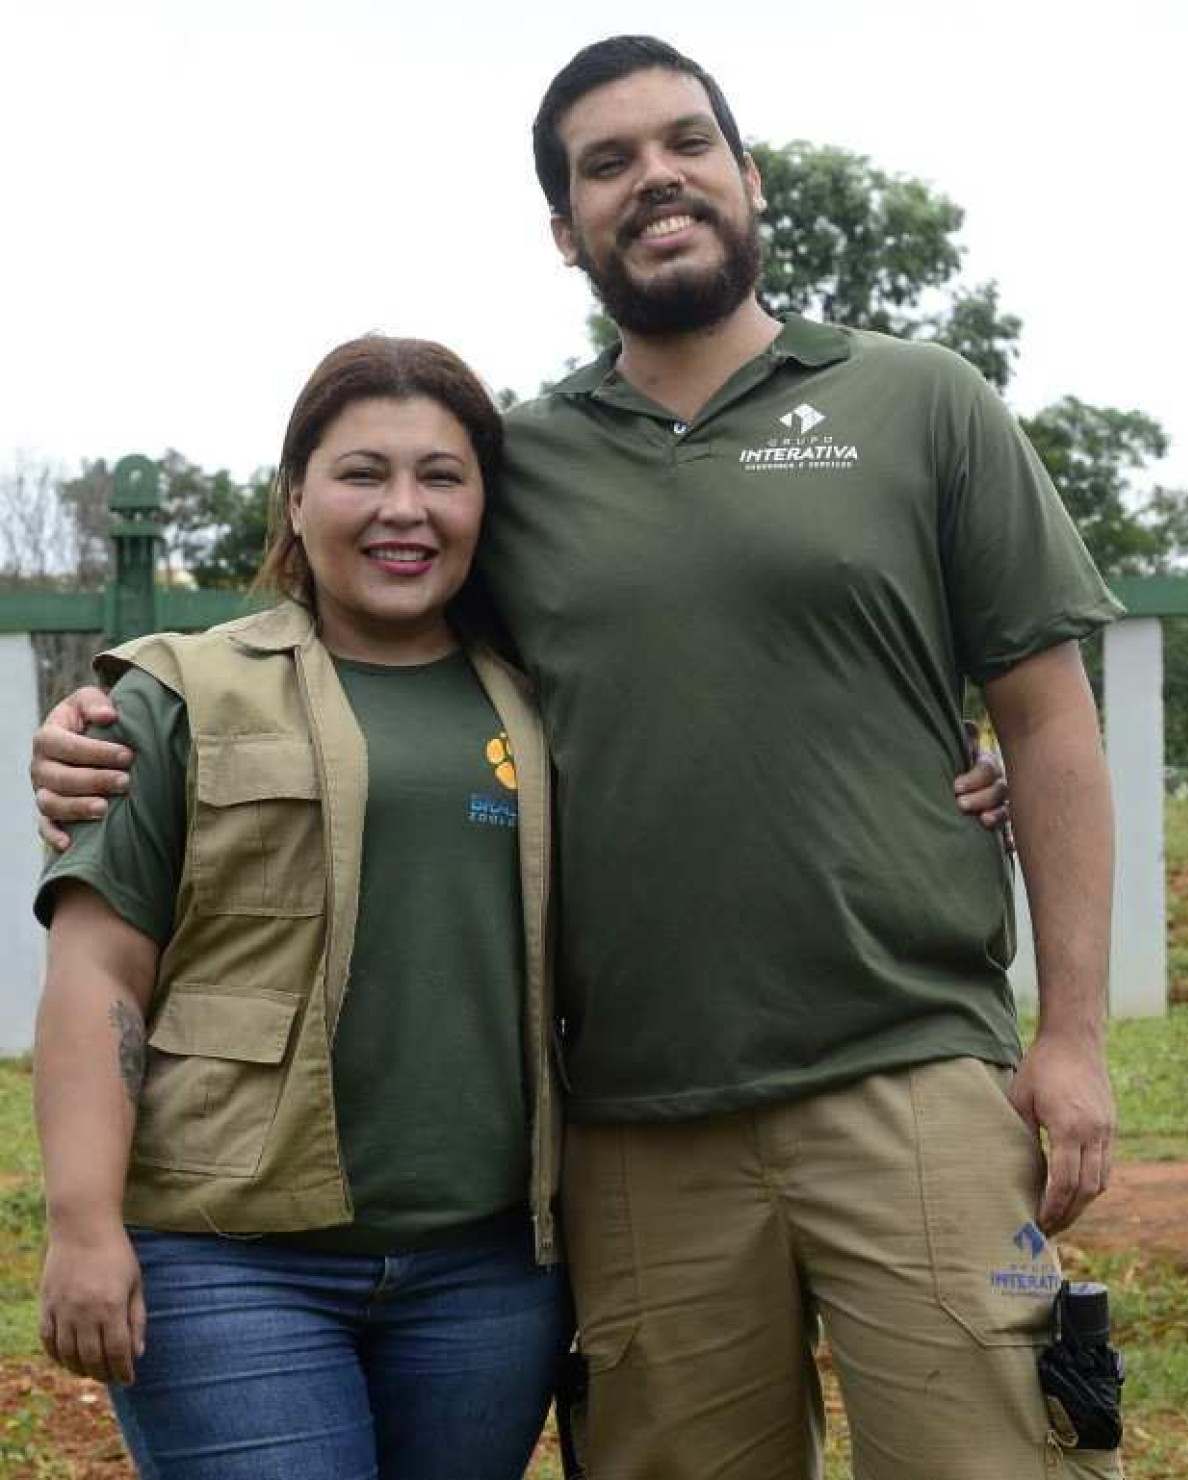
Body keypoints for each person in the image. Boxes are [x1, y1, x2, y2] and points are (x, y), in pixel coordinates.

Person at [37, 34, 1124, 1480]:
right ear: (565, 227)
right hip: (623, 1126)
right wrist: (103, 730)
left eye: (684, 144)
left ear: (748, 180)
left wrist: (1073, 1037)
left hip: (908, 1068)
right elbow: (360, 643)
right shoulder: (519, 465)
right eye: (604, 164)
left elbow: (1047, 718)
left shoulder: (918, 401)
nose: (652, 178)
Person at [32, 337, 569, 1480]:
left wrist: (973, 778)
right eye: (362, 472)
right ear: (295, 493)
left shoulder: (550, 702)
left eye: (442, 474)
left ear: (485, 501)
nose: (403, 510)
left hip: (486, 1274)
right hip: (228, 1261)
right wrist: (83, 1222)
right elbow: (97, 972)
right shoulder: (177, 692)